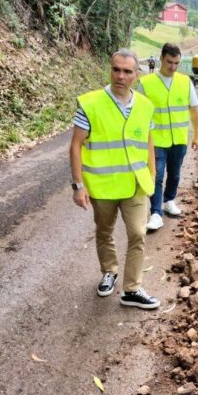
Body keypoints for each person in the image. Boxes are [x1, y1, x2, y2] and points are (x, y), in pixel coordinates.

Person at [69, 48, 160, 309]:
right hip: (103, 187)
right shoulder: (91, 103)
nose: (120, 76)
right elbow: (75, 146)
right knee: (105, 232)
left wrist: (151, 176)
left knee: (138, 234)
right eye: (116, 69)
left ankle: (132, 289)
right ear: (110, 70)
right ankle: (109, 271)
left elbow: (148, 143)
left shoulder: (145, 106)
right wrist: (78, 186)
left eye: (127, 71)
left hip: (135, 185)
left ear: (137, 75)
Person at [137, 43, 198, 231]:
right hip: (155, 140)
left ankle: (169, 200)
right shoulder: (146, 83)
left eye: (176, 63)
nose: (173, 67)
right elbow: (138, 115)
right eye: (169, 62)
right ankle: (156, 213)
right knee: (155, 175)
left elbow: (194, 111)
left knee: (175, 174)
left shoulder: (184, 81)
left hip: (179, 139)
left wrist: (196, 135)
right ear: (161, 58)